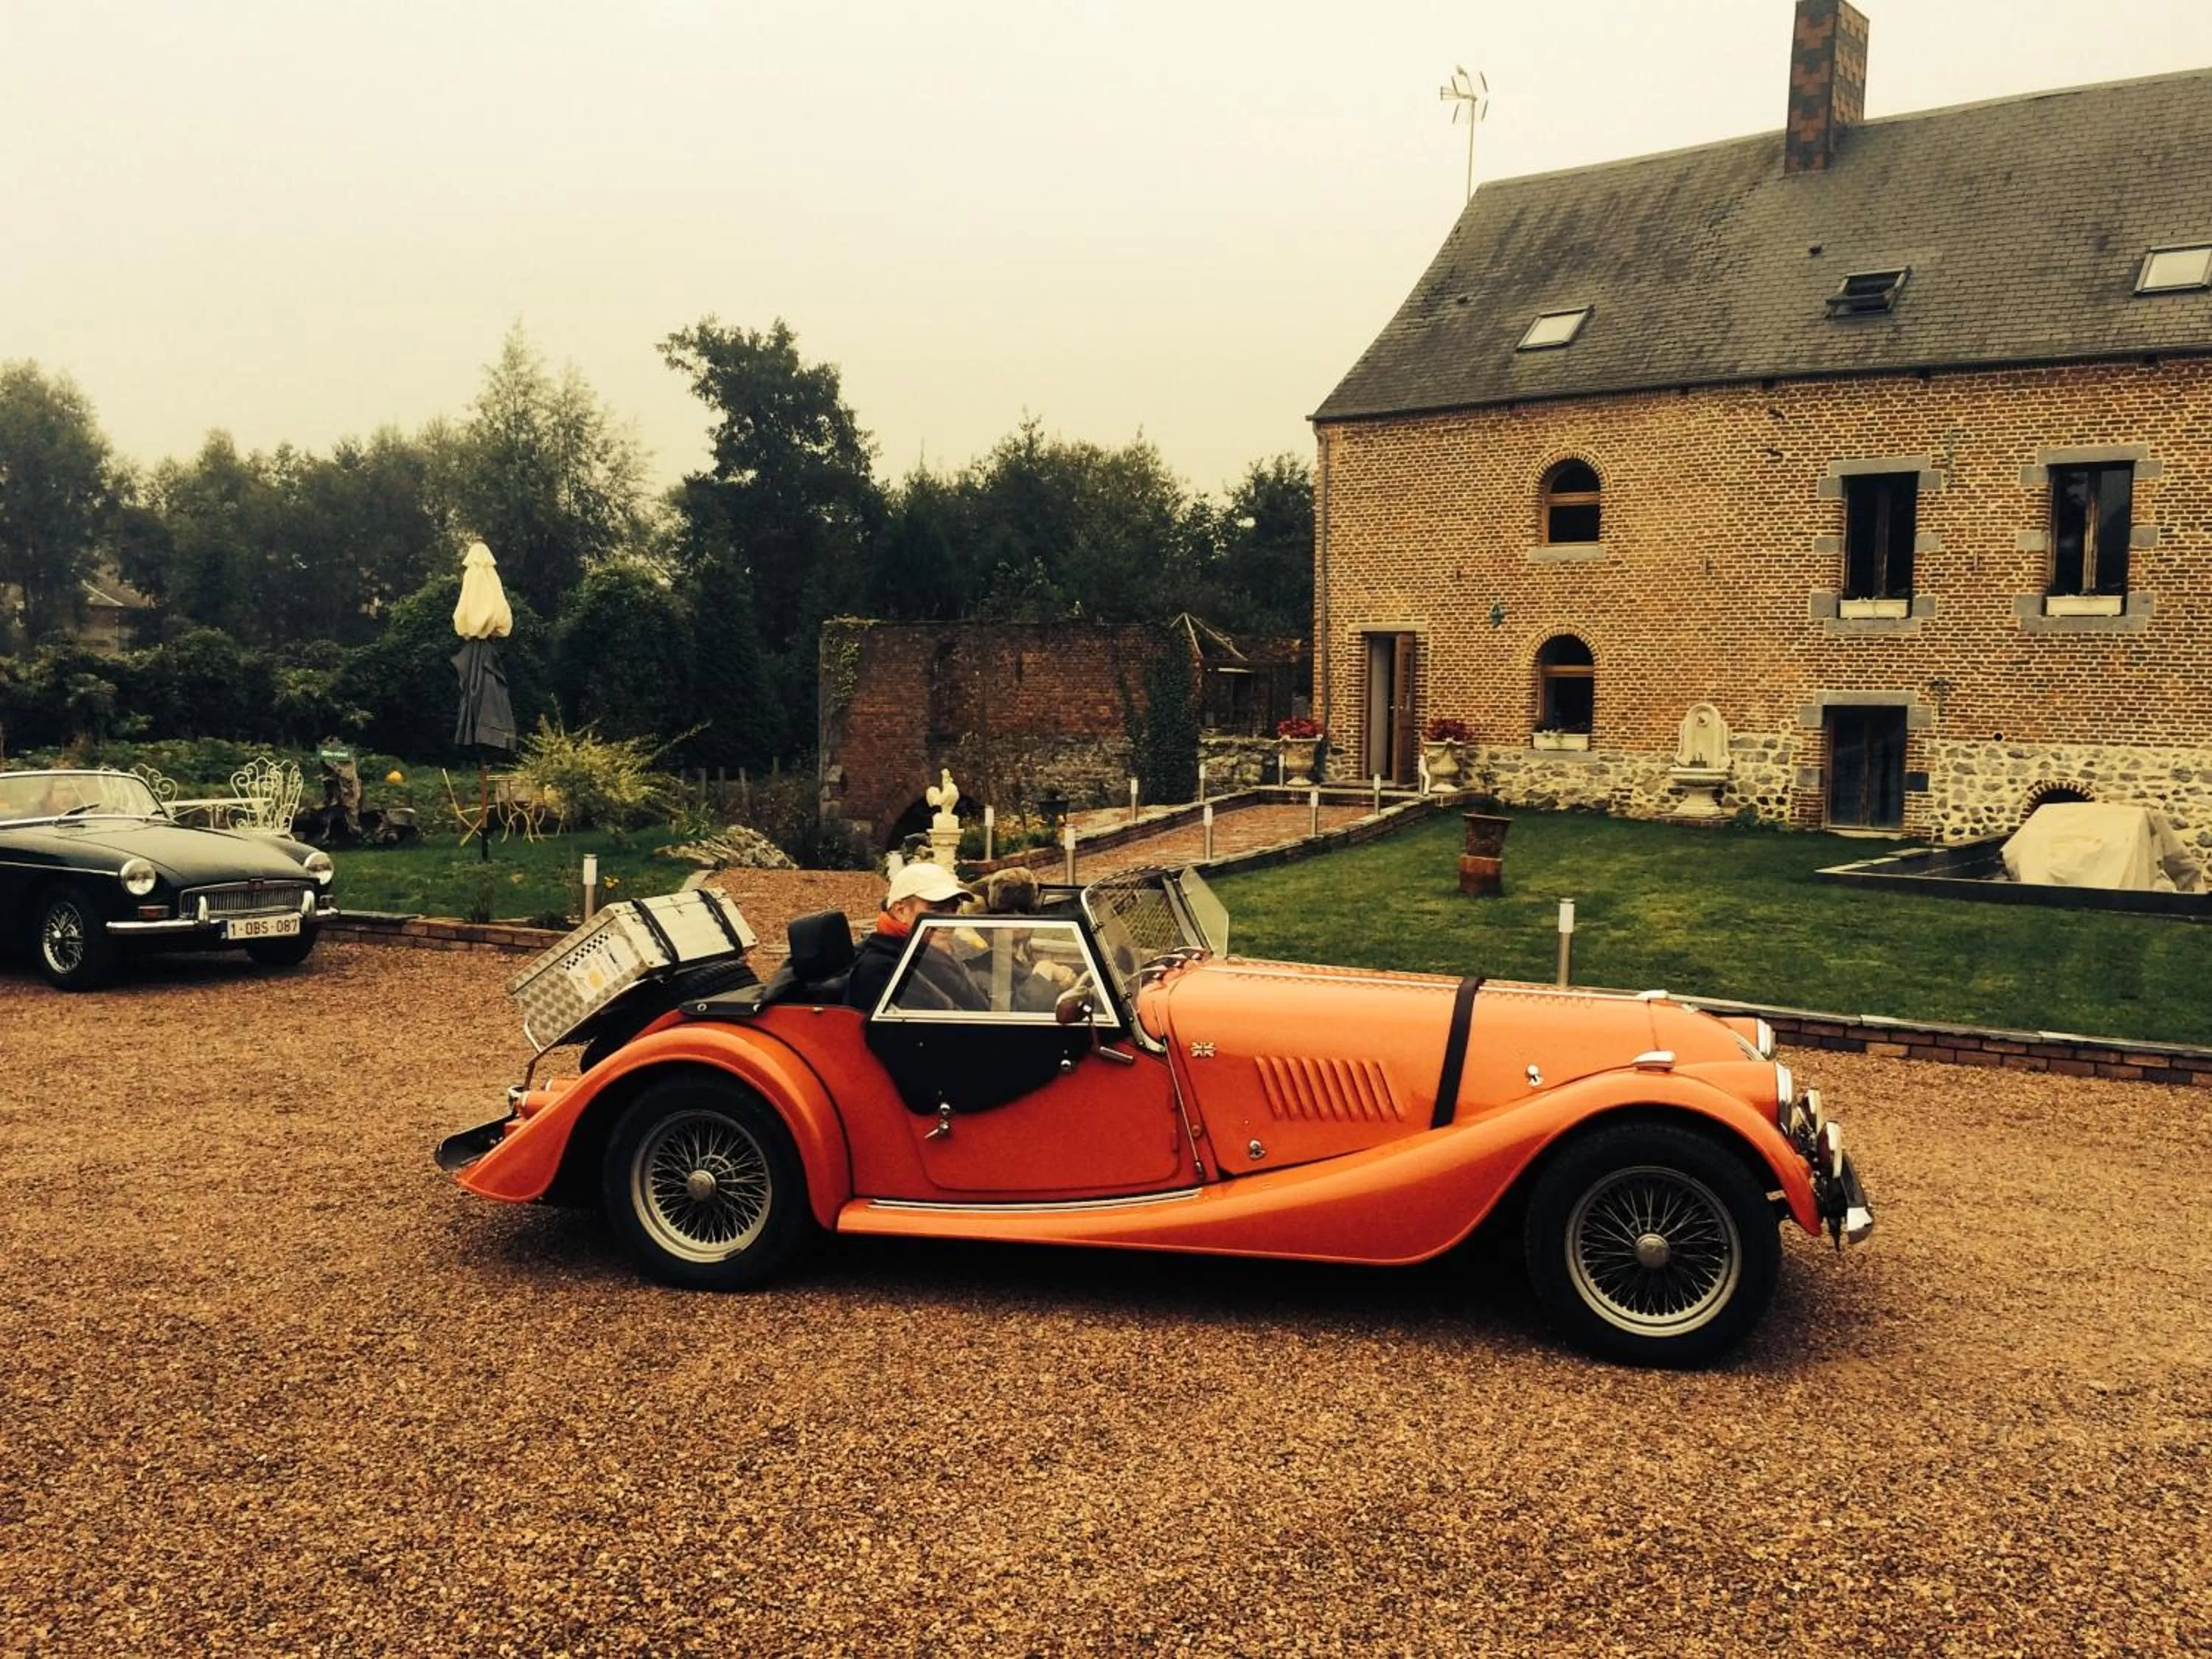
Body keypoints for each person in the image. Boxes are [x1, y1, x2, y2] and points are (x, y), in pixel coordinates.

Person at [845, 860, 973, 1014]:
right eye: (937, 910)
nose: (948, 919)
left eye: (953, 909)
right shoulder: (881, 968)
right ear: (900, 911)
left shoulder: (935, 955)